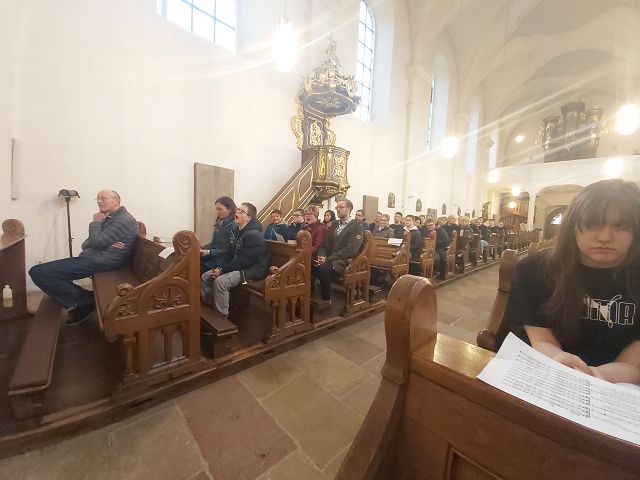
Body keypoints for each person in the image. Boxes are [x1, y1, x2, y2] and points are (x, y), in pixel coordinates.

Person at [505, 179, 640, 384]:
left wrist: (595, 376)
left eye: (620, 226)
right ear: (572, 226)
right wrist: (560, 361)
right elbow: (541, 340)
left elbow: (632, 364)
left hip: (619, 383)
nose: (605, 237)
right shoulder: (534, 270)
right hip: (551, 367)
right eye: (592, 224)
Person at [29, 190, 139, 325]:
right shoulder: (111, 218)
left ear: (116, 200)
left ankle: (85, 302)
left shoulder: (124, 219)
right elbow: (85, 244)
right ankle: (85, 300)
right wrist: (101, 243)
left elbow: (97, 243)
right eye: (97, 198)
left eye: (103, 198)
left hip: (104, 262)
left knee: (39, 272)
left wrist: (95, 224)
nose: (99, 201)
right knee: (42, 272)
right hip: (95, 258)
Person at [200, 202, 268, 317]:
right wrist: (219, 267)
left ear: (248, 218)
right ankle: (212, 307)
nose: (236, 212)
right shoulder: (236, 231)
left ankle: (221, 317)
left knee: (220, 282)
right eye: (237, 210)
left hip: (252, 271)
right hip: (239, 266)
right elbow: (228, 253)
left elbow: (245, 261)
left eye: (241, 211)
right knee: (206, 276)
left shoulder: (254, 236)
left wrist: (222, 271)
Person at [313, 199, 364, 301]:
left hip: (344, 260)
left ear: (349, 209)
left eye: (341, 207)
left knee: (323, 268)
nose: (338, 210)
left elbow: (350, 250)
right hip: (330, 258)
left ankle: (326, 299)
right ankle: (311, 295)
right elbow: (324, 244)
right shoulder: (335, 224)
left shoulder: (357, 225)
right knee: (310, 262)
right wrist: (321, 255)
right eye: (337, 207)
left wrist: (327, 259)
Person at [201, 196, 236, 274]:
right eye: (217, 210)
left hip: (223, 259)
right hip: (214, 256)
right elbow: (214, 243)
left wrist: (210, 252)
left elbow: (228, 250)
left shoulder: (234, 225)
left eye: (220, 209)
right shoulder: (220, 223)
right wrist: (203, 249)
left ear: (230, 209)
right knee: (194, 260)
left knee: (199, 268)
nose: (218, 212)